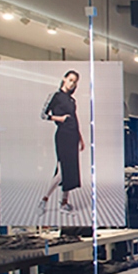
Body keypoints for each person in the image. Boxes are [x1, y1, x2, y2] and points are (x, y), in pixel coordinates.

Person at [40, 70, 85, 213]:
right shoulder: (56, 96)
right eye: (70, 80)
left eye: (75, 82)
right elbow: (43, 114)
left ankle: (64, 202)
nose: (72, 84)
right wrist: (59, 118)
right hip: (63, 135)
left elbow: (75, 119)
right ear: (64, 79)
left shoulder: (72, 100)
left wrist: (80, 138)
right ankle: (44, 200)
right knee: (62, 171)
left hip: (73, 136)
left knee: (70, 171)